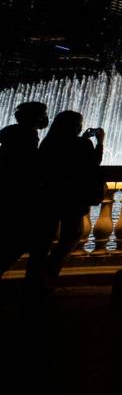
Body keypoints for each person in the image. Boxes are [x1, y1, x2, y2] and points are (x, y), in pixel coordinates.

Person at [29, 111, 105, 292]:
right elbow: (94, 162)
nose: (80, 126)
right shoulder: (82, 144)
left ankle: (32, 281)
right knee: (72, 235)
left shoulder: (48, 142)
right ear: (75, 126)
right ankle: (48, 273)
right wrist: (99, 142)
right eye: (79, 123)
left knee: (42, 241)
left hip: (49, 197)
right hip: (72, 199)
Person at [0, 101, 49, 278]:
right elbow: (28, 165)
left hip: (11, 192)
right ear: (35, 117)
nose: (45, 118)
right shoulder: (26, 135)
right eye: (43, 114)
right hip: (19, 195)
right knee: (19, 240)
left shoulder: (10, 132)